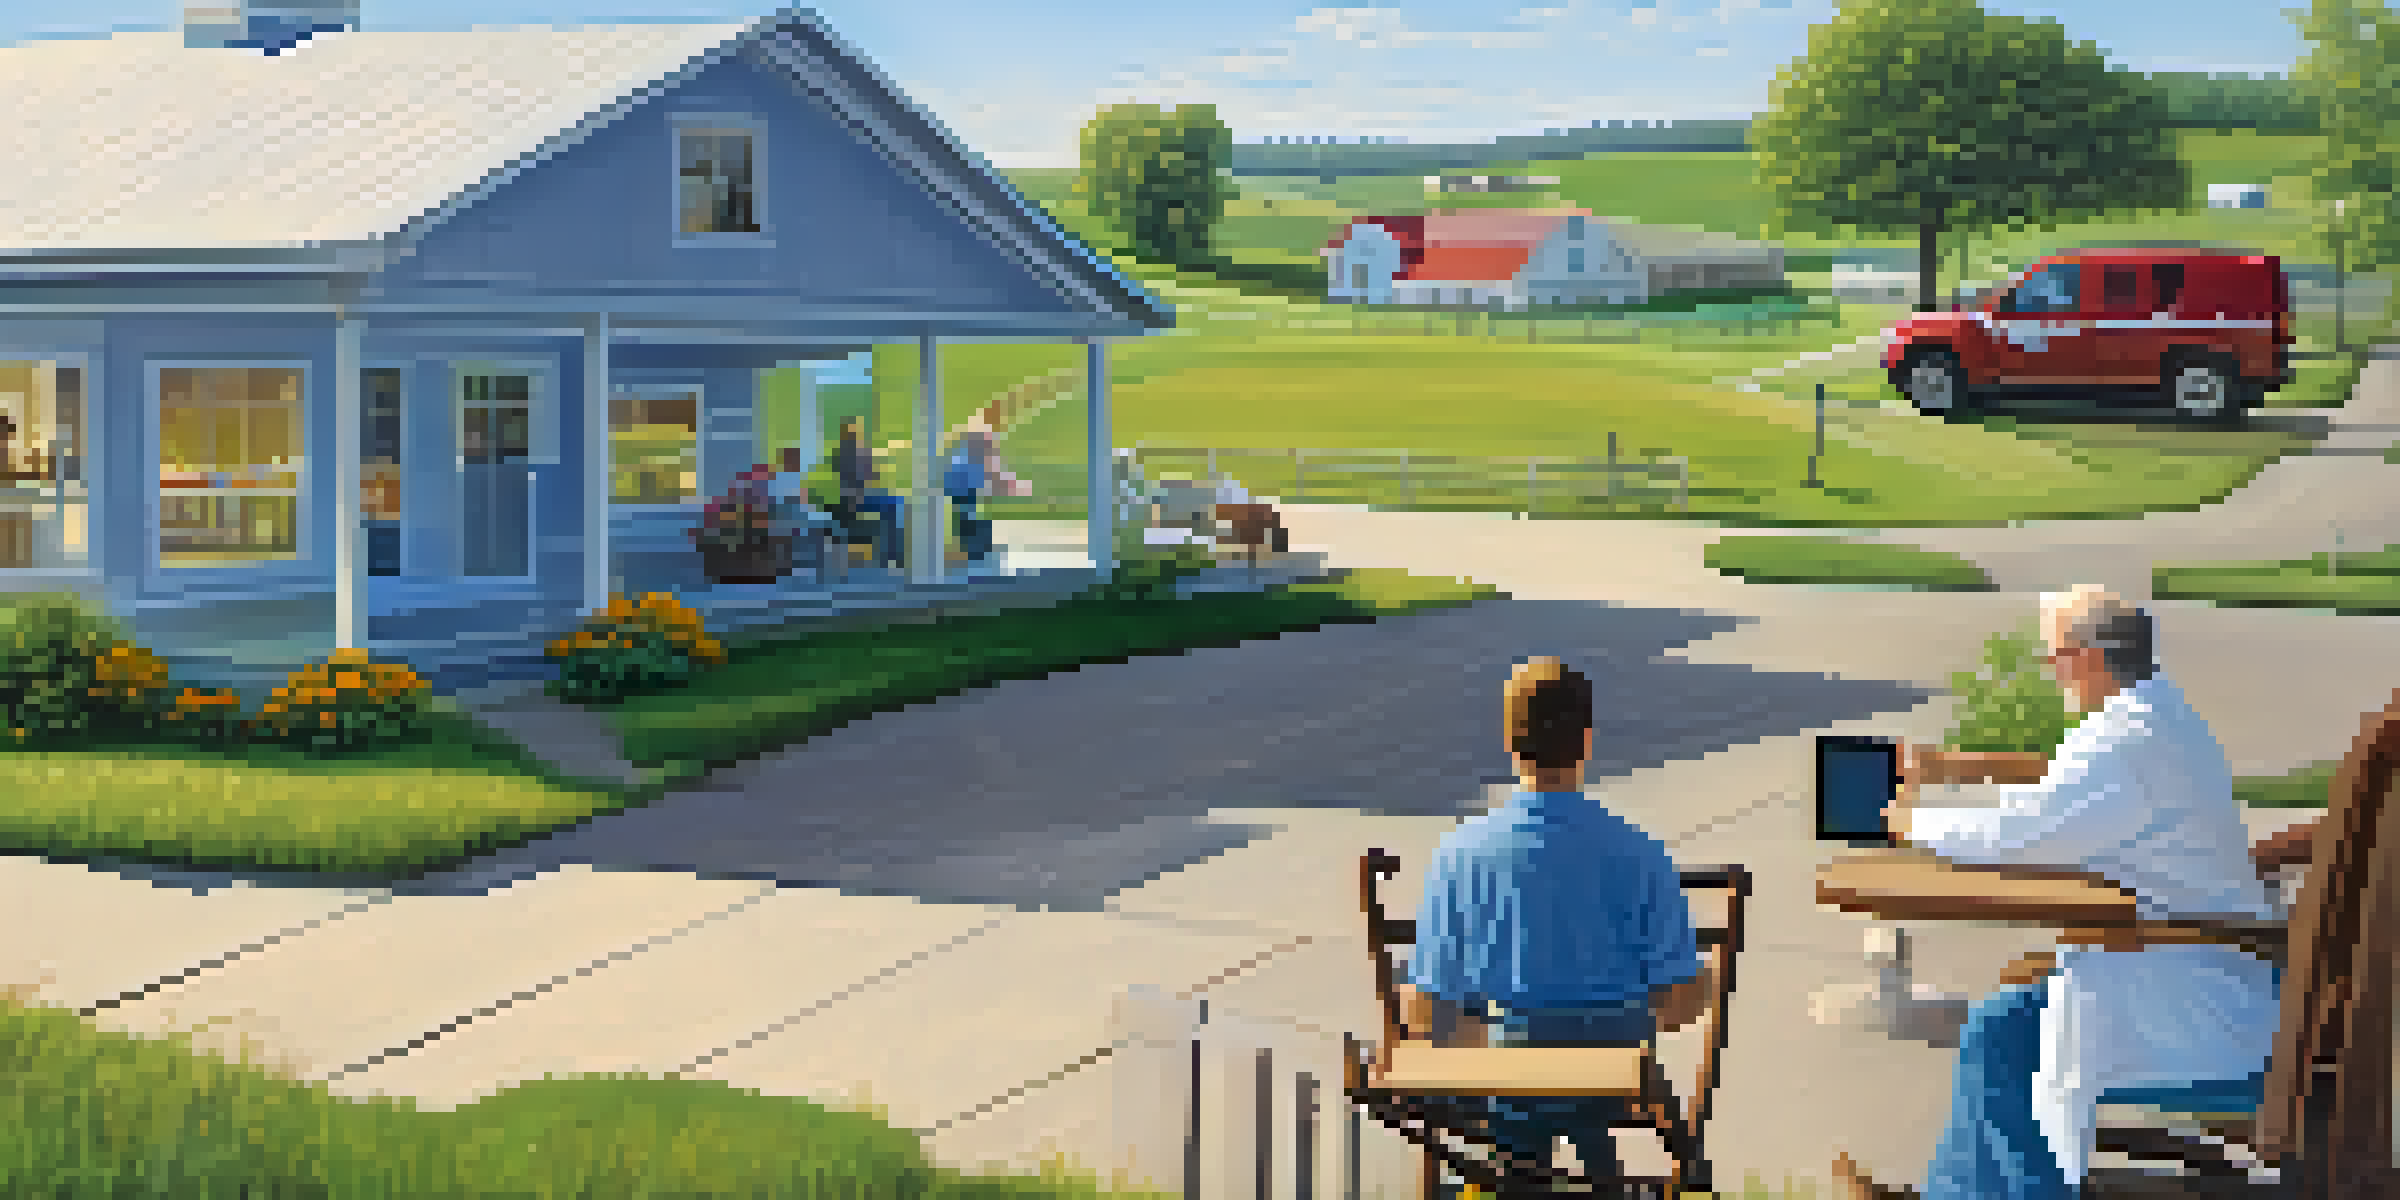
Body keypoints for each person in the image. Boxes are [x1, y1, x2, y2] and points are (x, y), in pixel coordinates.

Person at [1832, 585, 2284, 1200]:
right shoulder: (2154, 721)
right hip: (2195, 968)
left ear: (2088, 658)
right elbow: (2054, 800)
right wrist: (1957, 773)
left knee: (2002, 1030)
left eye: (2054, 659)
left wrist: (1908, 822)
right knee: (2010, 1016)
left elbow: (2022, 833)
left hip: (2192, 992)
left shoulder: (2126, 742)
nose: (2052, 674)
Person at [1400, 656, 1713, 1183]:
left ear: (1510, 743)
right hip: (1608, 1073)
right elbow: (1679, 1005)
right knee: (1697, 981)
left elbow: (1427, 1010)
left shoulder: (1459, 855)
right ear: (1586, 742)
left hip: (1501, 1073)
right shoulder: (1640, 853)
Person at [942, 425, 1026, 563]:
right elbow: (993, 480)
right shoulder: (971, 462)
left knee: (968, 519)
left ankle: (974, 549)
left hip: (961, 490)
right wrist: (1015, 488)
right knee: (968, 520)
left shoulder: (965, 457)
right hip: (962, 491)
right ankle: (975, 551)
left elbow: (992, 479)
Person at [828, 418, 903, 568]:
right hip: (857, 500)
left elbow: (873, 476)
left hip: (861, 497)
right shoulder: (847, 454)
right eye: (854, 431)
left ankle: (891, 556)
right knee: (894, 506)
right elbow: (867, 477)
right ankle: (891, 557)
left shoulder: (853, 453)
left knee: (895, 504)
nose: (858, 435)